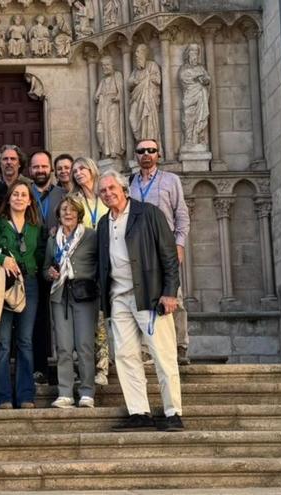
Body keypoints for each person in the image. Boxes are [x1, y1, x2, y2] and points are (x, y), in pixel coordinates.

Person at [97, 170, 184, 431]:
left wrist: (170, 292)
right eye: (103, 191)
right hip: (118, 298)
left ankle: (173, 412)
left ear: (125, 189)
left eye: (112, 188)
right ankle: (139, 412)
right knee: (125, 355)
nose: (108, 193)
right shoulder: (103, 223)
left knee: (163, 354)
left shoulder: (148, 213)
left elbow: (169, 255)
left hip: (149, 295)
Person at [0, 181, 44, 409]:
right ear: (9, 198)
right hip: (4, 285)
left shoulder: (35, 225)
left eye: (24, 195)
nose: (19, 198)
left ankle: (26, 395)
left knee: (25, 341)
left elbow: (41, 253)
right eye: (15, 194)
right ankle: (2, 396)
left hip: (30, 284)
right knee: (3, 341)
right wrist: (2, 259)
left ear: (30, 200)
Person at [128, 139, 191, 365]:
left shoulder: (170, 180)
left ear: (159, 154)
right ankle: (146, 347)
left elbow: (181, 215)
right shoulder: (130, 183)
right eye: (141, 151)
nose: (146, 154)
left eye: (151, 150)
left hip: (165, 244)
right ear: (136, 156)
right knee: (143, 296)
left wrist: (180, 244)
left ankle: (180, 345)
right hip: (139, 247)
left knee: (175, 294)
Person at [44, 196, 99, 408]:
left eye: (72, 210)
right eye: (64, 210)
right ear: (58, 215)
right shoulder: (52, 240)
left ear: (79, 213)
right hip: (60, 296)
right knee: (64, 347)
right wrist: (49, 273)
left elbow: (100, 264)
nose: (68, 213)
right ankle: (65, 392)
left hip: (84, 296)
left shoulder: (91, 236)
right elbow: (45, 268)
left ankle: (87, 392)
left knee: (84, 346)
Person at [69, 156, 111, 385]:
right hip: (83, 264)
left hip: (106, 263)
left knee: (101, 319)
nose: (78, 173)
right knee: (83, 318)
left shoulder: (106, 196)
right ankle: (82, 368)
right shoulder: (74, 200)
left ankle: (102, 366)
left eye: (82, 168)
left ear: (93, 170)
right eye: (75, 170)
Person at [27, 150, 66, 385]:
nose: (40, 170)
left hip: (58, 263)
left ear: (50, 169)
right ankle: (39, 367)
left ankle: (64, 369)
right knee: (37, 318)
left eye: (44, 166)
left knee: (62, 317)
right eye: (36, 167)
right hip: (33, 263)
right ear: (30, 170)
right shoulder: (24, 193)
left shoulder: (63, 194)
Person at [0, 144, 33, 211]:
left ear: (19, 163)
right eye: (5, 159)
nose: (9, 162)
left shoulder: (29, 185)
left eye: (13, 159)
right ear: (0, 163)